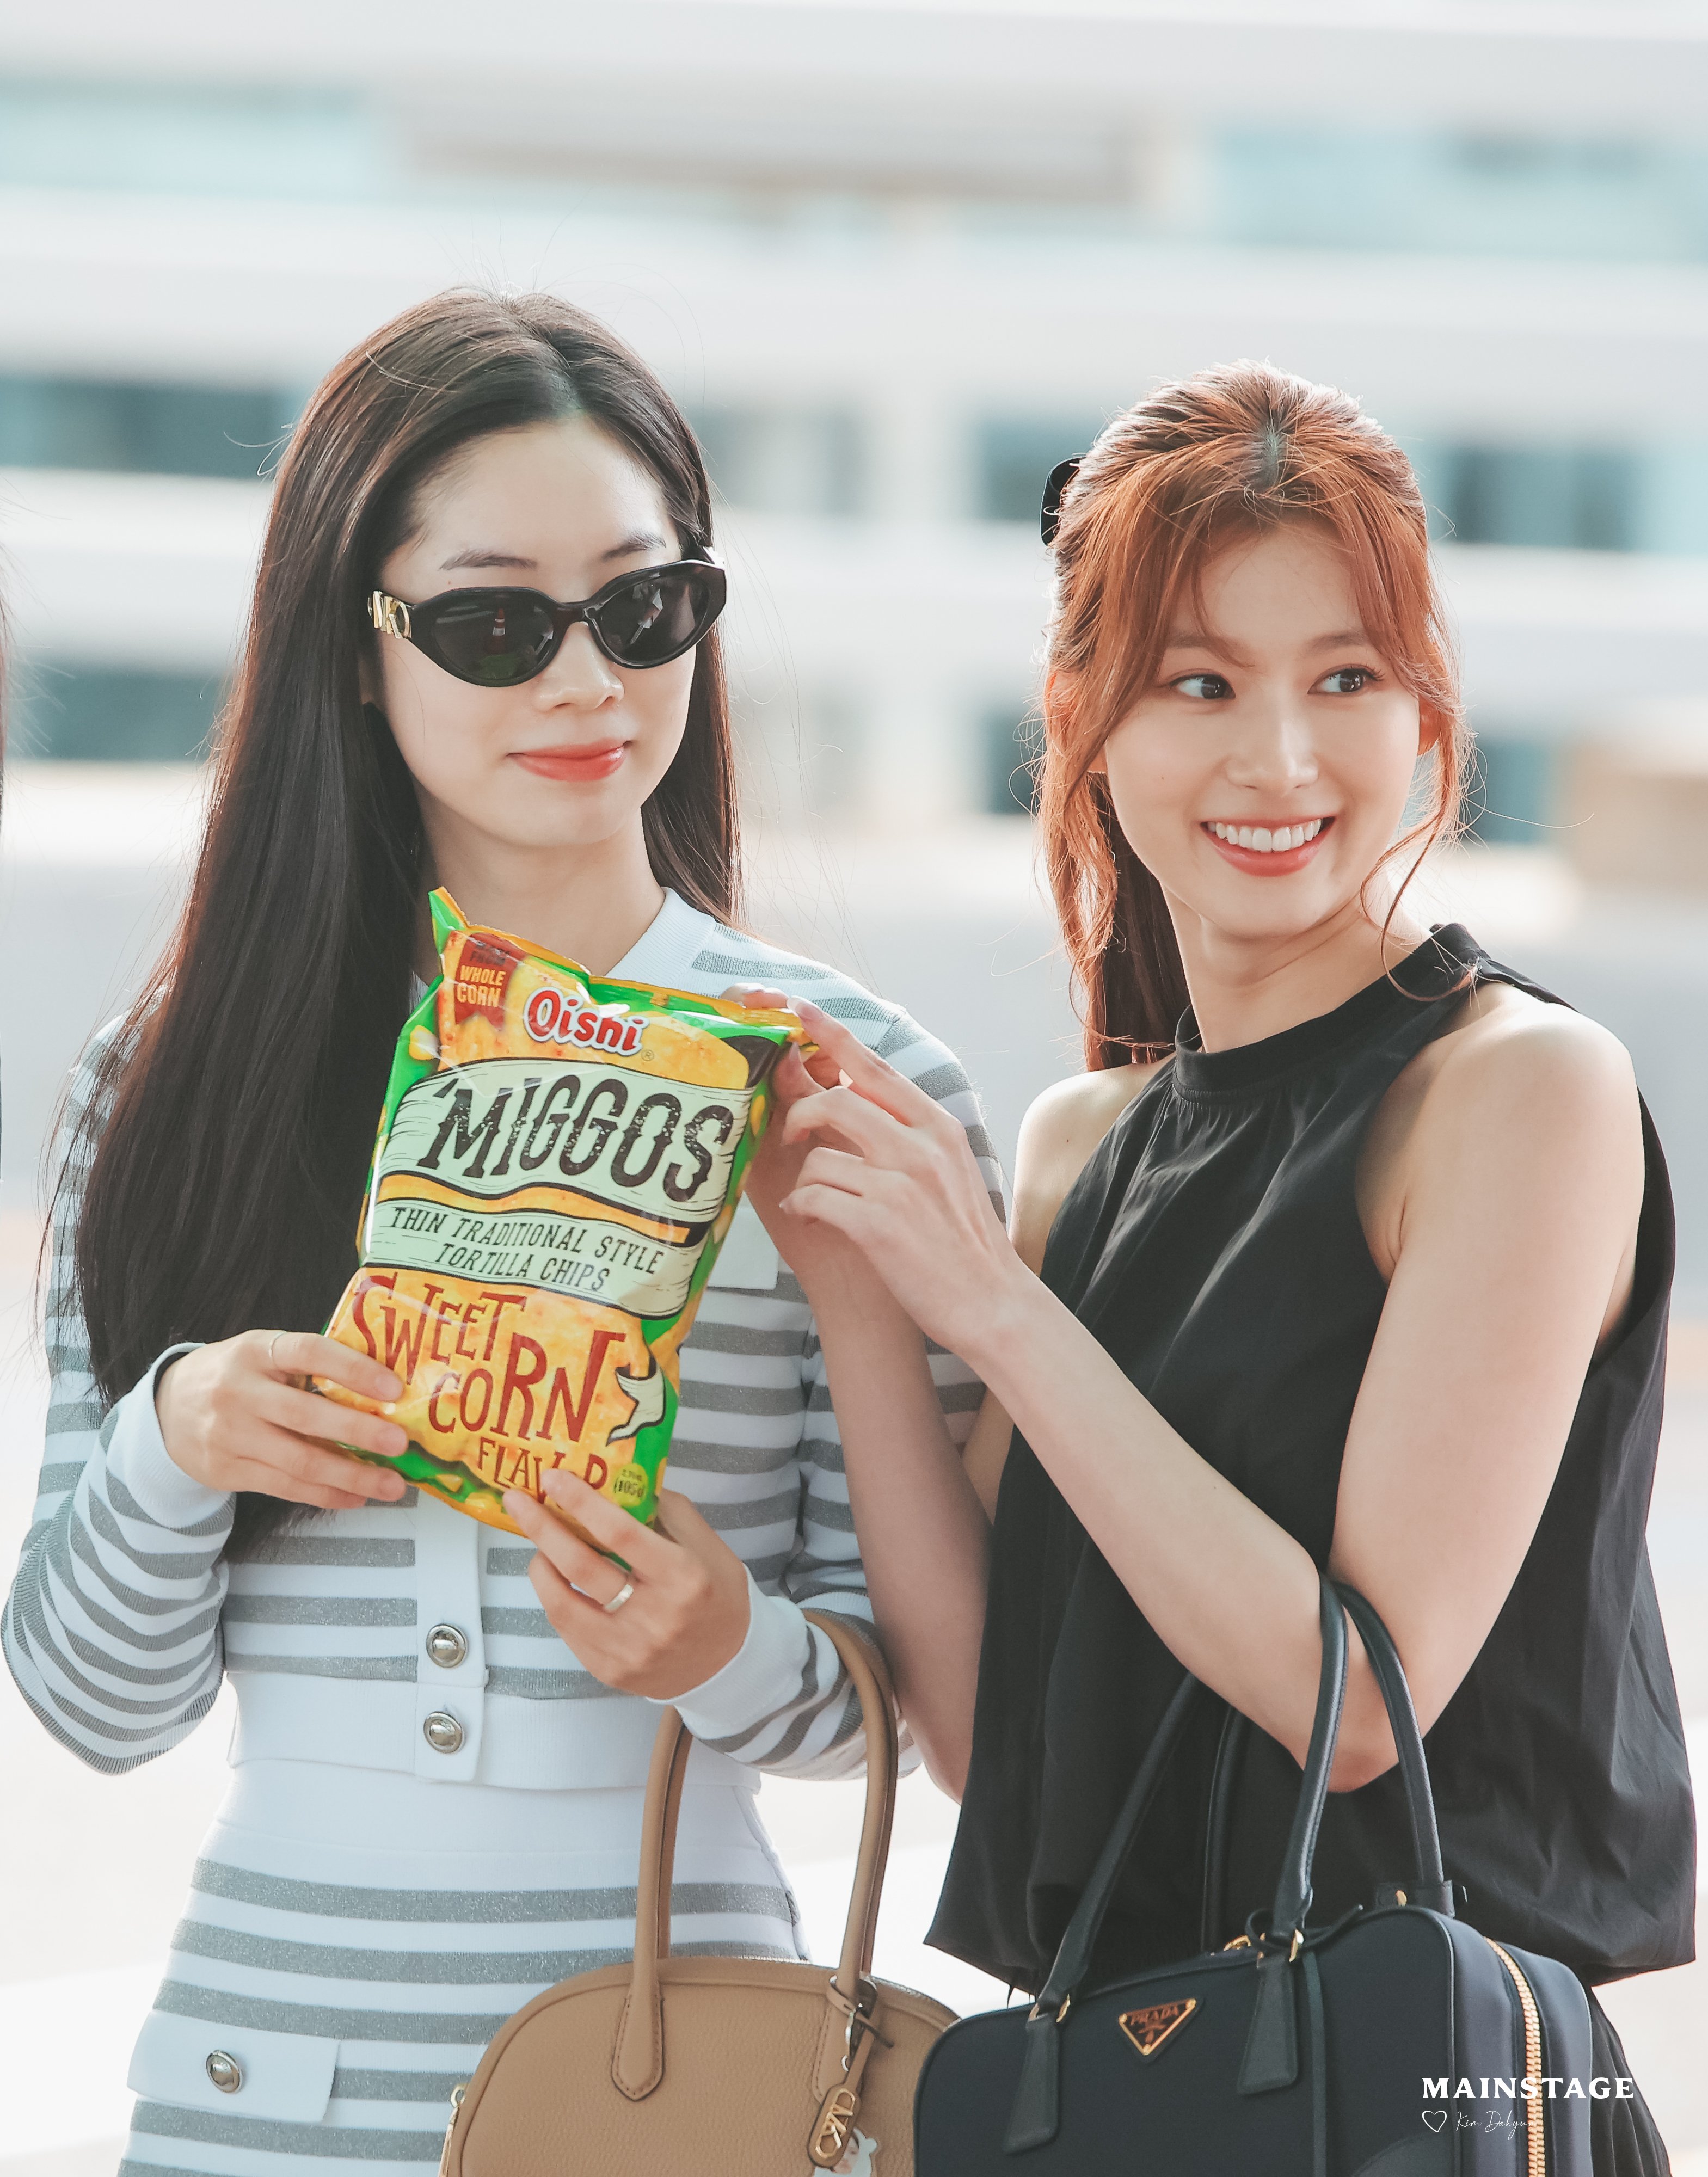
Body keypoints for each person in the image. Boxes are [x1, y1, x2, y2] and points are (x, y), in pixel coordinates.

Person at [3, 289, 998, 2175]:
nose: (585, 685)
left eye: (644, 608)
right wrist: (176, 1439)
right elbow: (88, 1702)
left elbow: (919, 1706)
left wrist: (723, 1648)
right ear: (351, 647)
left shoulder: (851, 1087)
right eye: (492, 626)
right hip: (261, 2095)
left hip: (685, 2080)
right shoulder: (176, 1084)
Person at [746, 364, 1689, 2176]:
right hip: (1135, 2095)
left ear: (1424, 713)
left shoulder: (1512, 1093)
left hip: (1417, 2103)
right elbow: (987, 1737)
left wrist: (996, 1309)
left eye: (1343, 679)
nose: (1278, 760)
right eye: (1199, 684)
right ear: (1083, 721)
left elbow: (1360, 1705)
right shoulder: (1077, 1148)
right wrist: (867, 1292)